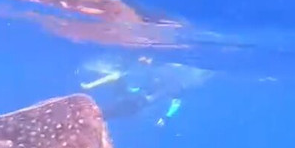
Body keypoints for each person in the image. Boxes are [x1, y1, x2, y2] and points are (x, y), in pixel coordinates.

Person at [79, 56, 212, 126]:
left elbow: (176, 102)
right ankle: (90, 89)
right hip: (133, 96)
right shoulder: (164, 72)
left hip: (136, 103)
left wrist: (166, 118)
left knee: (106, 112)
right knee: (118, 78)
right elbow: (176, 102)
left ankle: (88, 113)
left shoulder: (175, 85)